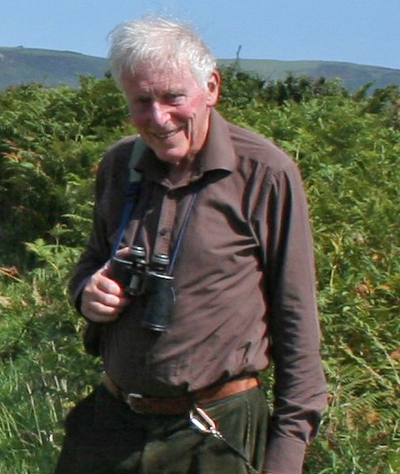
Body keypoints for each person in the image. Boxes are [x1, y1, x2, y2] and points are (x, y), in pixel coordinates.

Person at [54, 15, 327, 474]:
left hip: (215, 431)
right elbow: (91, 262)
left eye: (173, 97)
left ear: (212, 88)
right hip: (112, 424)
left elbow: (297, 323)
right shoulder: (121, 164)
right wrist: (87, 292)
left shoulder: (265, 174)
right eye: (142, 101)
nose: (158, 118)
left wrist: (285, 456)